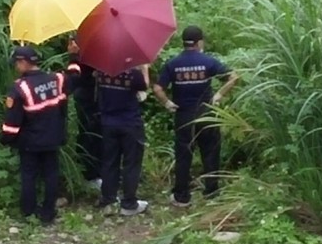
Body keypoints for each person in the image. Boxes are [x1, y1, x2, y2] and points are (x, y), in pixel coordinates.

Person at [153, 25, 239, 207]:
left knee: (184, 155)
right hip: (206, 114)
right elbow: (233, 77)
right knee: (210, 153)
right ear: (199, 42)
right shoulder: (208, 61)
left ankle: (182, 196)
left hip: (184, 115)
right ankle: (212, 192)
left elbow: (158, 88)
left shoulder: (173, 64)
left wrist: (167, 103)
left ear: (183, 43)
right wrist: (219, 95)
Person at [0, 45, 79, 225]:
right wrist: (74, 56)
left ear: (23, 63)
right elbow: (74, 78)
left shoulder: (20, 89)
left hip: (30, 143)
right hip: (53, 139)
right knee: (51, 175)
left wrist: (5, 140)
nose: (16, 67)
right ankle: (48, 213)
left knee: (29, 176)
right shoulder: (57, 79)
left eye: (17, 63)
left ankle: (29, 213)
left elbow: (12, 123)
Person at [96, 65, 150, 216]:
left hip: (108, 123)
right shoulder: (133, 73)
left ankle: (108, 199)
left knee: (109, 161)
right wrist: (145, 69)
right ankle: (129, 203)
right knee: (131, 163)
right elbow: (144, 87)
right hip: (130, 122)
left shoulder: (101, 71)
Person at [66, 37, 103, 189]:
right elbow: (74, 76)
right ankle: (89, 173)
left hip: (102, 90)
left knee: (100, 132)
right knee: (88, 132)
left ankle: (101, 170)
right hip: (86, 91)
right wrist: (73, 56)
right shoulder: (78, 40)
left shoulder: (102, 35)